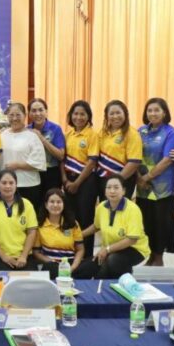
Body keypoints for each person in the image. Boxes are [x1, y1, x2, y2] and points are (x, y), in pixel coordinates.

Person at [75, 176, 150, 279]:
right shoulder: (101, 207)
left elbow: (132, 239)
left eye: (116, 187)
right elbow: (96, 227)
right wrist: (78, 235)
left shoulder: (133, 209)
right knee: (84, 269)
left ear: (123, 191)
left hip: (134, 249)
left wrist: (107, 249)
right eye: (109, 187)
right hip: (109, 249)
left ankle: (126, 277)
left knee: (112, 262)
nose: (112, 191)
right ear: (105, 191)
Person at [136, 98, 174, 266]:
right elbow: (133, 154)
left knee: (161, 223)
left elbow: (168, 159)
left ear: (164, 112)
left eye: (156, 110)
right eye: (149, 110)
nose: (153, 113)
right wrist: (139, 178)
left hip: (162, 187)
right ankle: (150, 256)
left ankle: (159, 257)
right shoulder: (140, 131)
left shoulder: (171, 133)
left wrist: (147, 177)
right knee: (146, 222)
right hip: (142, 187)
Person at [0, 169, 39, 274]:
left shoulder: (27, 204)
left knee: (30, 280)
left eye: (11, 183)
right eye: (4, 183)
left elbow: (32, 233)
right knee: (6, 279)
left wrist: (23, 256)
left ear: (16, 185)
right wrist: (4, 257)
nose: (8, 186)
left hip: (23, 256)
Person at [63, 100, 99, 257]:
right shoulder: (68, 134)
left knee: (86, 218)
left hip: (86, 182)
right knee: (71, 218)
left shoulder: (92, 135)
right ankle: (72, 253)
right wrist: (65, 180)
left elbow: (92, 162)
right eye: (75, 114)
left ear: (88, 116)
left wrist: (77, 183)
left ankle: (86, 256)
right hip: (68, 181)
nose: (78, 117)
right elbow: (62, 159)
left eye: (82, 114)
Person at [0, 102, 47, 209]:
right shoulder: (2, 135)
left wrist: (17, 165)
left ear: (25, 116)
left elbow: (39, 162)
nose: (14, 118)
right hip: (6, 186)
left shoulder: (32, 136)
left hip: (28, 185)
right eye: (11, 115)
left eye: (18, 115)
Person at [32, 188, 84, 279]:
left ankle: (69, 275)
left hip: (70, 263)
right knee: (51, 268)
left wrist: (72, 268)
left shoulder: (72, 223)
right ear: (46, 205)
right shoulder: (39, 225)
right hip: (51, 264)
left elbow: (80, 250)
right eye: (52, 202)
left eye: (59, 202)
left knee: (92, 264)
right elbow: (36, 252)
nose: (55, 205)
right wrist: (50, 261)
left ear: (64, 204)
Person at [97, 99, 142, 197]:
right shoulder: (102, 132)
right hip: (102, 179)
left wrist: (116, 181)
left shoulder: (132, 133)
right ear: (106, 116)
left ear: (125, 114)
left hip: (122, 180)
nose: (115, 116)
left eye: (118, 113)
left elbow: (134, 162)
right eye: (111, 113)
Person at [29, 98, 66, 191]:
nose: (37, 113)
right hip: (33, 172)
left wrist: (41, 138)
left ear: (46, 112)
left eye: (41, 110)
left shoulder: (55, 129)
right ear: (29, 114)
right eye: (34, 110)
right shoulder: (27, 130)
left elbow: (61, 156)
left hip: (51, 173)